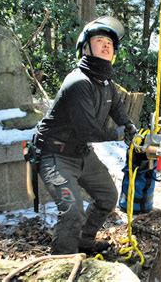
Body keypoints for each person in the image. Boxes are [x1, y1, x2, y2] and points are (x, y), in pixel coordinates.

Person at [34, 16, 137, 255]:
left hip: (81, 153)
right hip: (54, 154)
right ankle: (63, 263)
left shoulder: (107, 84)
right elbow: (89, 130)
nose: (106, 45)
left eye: (110, 44)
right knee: (72, 210)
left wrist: (130, 127)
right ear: (85, 48)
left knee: (107, 196)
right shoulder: (78, 83)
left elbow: (119, 112)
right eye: (99, 40)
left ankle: (83, 241)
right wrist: (119, 133)